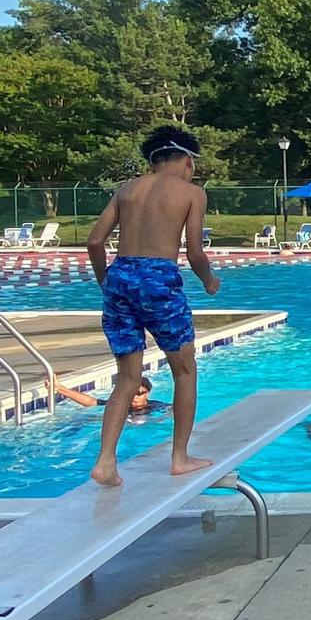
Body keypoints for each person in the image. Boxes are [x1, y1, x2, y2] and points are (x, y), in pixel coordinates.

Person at [85, 125, 221, 487]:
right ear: (187, 160)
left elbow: (95, 241)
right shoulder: (192, 193)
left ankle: (105, 462)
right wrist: (208, 281)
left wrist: (107, 283)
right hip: (158, 278)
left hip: (120, 276)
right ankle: (179, 457)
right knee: (185, 371)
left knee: (127, 378)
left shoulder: (126, 190)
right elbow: (194, 251)